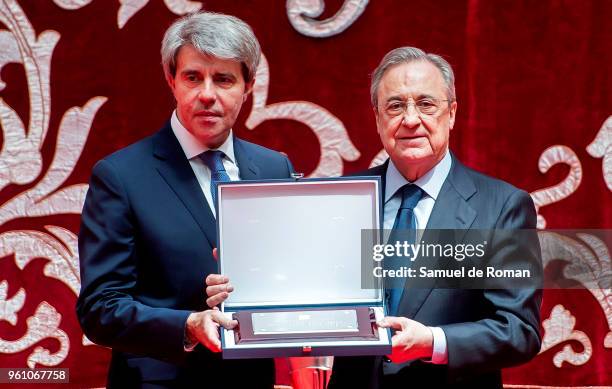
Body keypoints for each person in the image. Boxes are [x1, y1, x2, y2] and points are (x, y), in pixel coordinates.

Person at [76, 12, 293, 388]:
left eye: (223, 79)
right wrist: (189, 326)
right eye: (193, 77)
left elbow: (290, 271)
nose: (207, 94)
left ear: (249, 86)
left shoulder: (274, 167)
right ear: (171, 80)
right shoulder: (121, 176)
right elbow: (99, 309)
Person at [326, 47, 542, 388]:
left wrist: (431, 340)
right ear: (378, 118)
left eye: (426, 104)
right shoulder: (339, 201)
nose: (410, 119)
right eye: (395, 106)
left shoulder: (501, 207)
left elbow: (520, 330)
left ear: (452, 113)